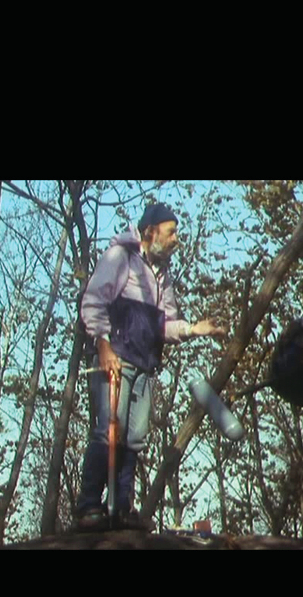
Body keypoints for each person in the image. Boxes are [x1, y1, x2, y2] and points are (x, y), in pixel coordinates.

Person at [76, 203, 225, 530]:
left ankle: (121, 508)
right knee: (109, 431)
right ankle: (88, 506)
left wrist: (194, 329)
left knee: (135, 437)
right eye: (170, 233)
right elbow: (93, 301)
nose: (175, 239)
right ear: (150, 232)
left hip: (145, 365)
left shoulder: (162, 274)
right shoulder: (120, 257)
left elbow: (163, 326)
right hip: (117, 358)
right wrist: (103, 345)